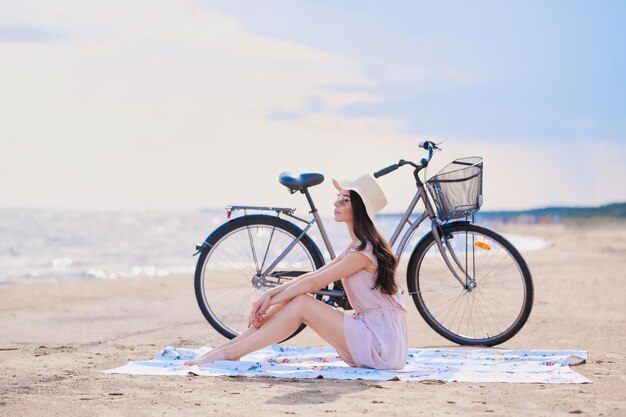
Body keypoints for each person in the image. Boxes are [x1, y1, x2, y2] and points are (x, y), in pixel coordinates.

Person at [184, 174, 408, 370]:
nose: (336, 203)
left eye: (345, 199)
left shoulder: (363, 251)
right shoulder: (355, 247)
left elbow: (315, 284)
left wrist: (269, 302)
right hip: (370, 334)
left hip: (381, 345)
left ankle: (230, 354)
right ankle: (226, 349)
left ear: (359, 207)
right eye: (338, 197)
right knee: (297, 298)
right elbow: (310, 276)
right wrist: (269, 296)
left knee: (302, 302)